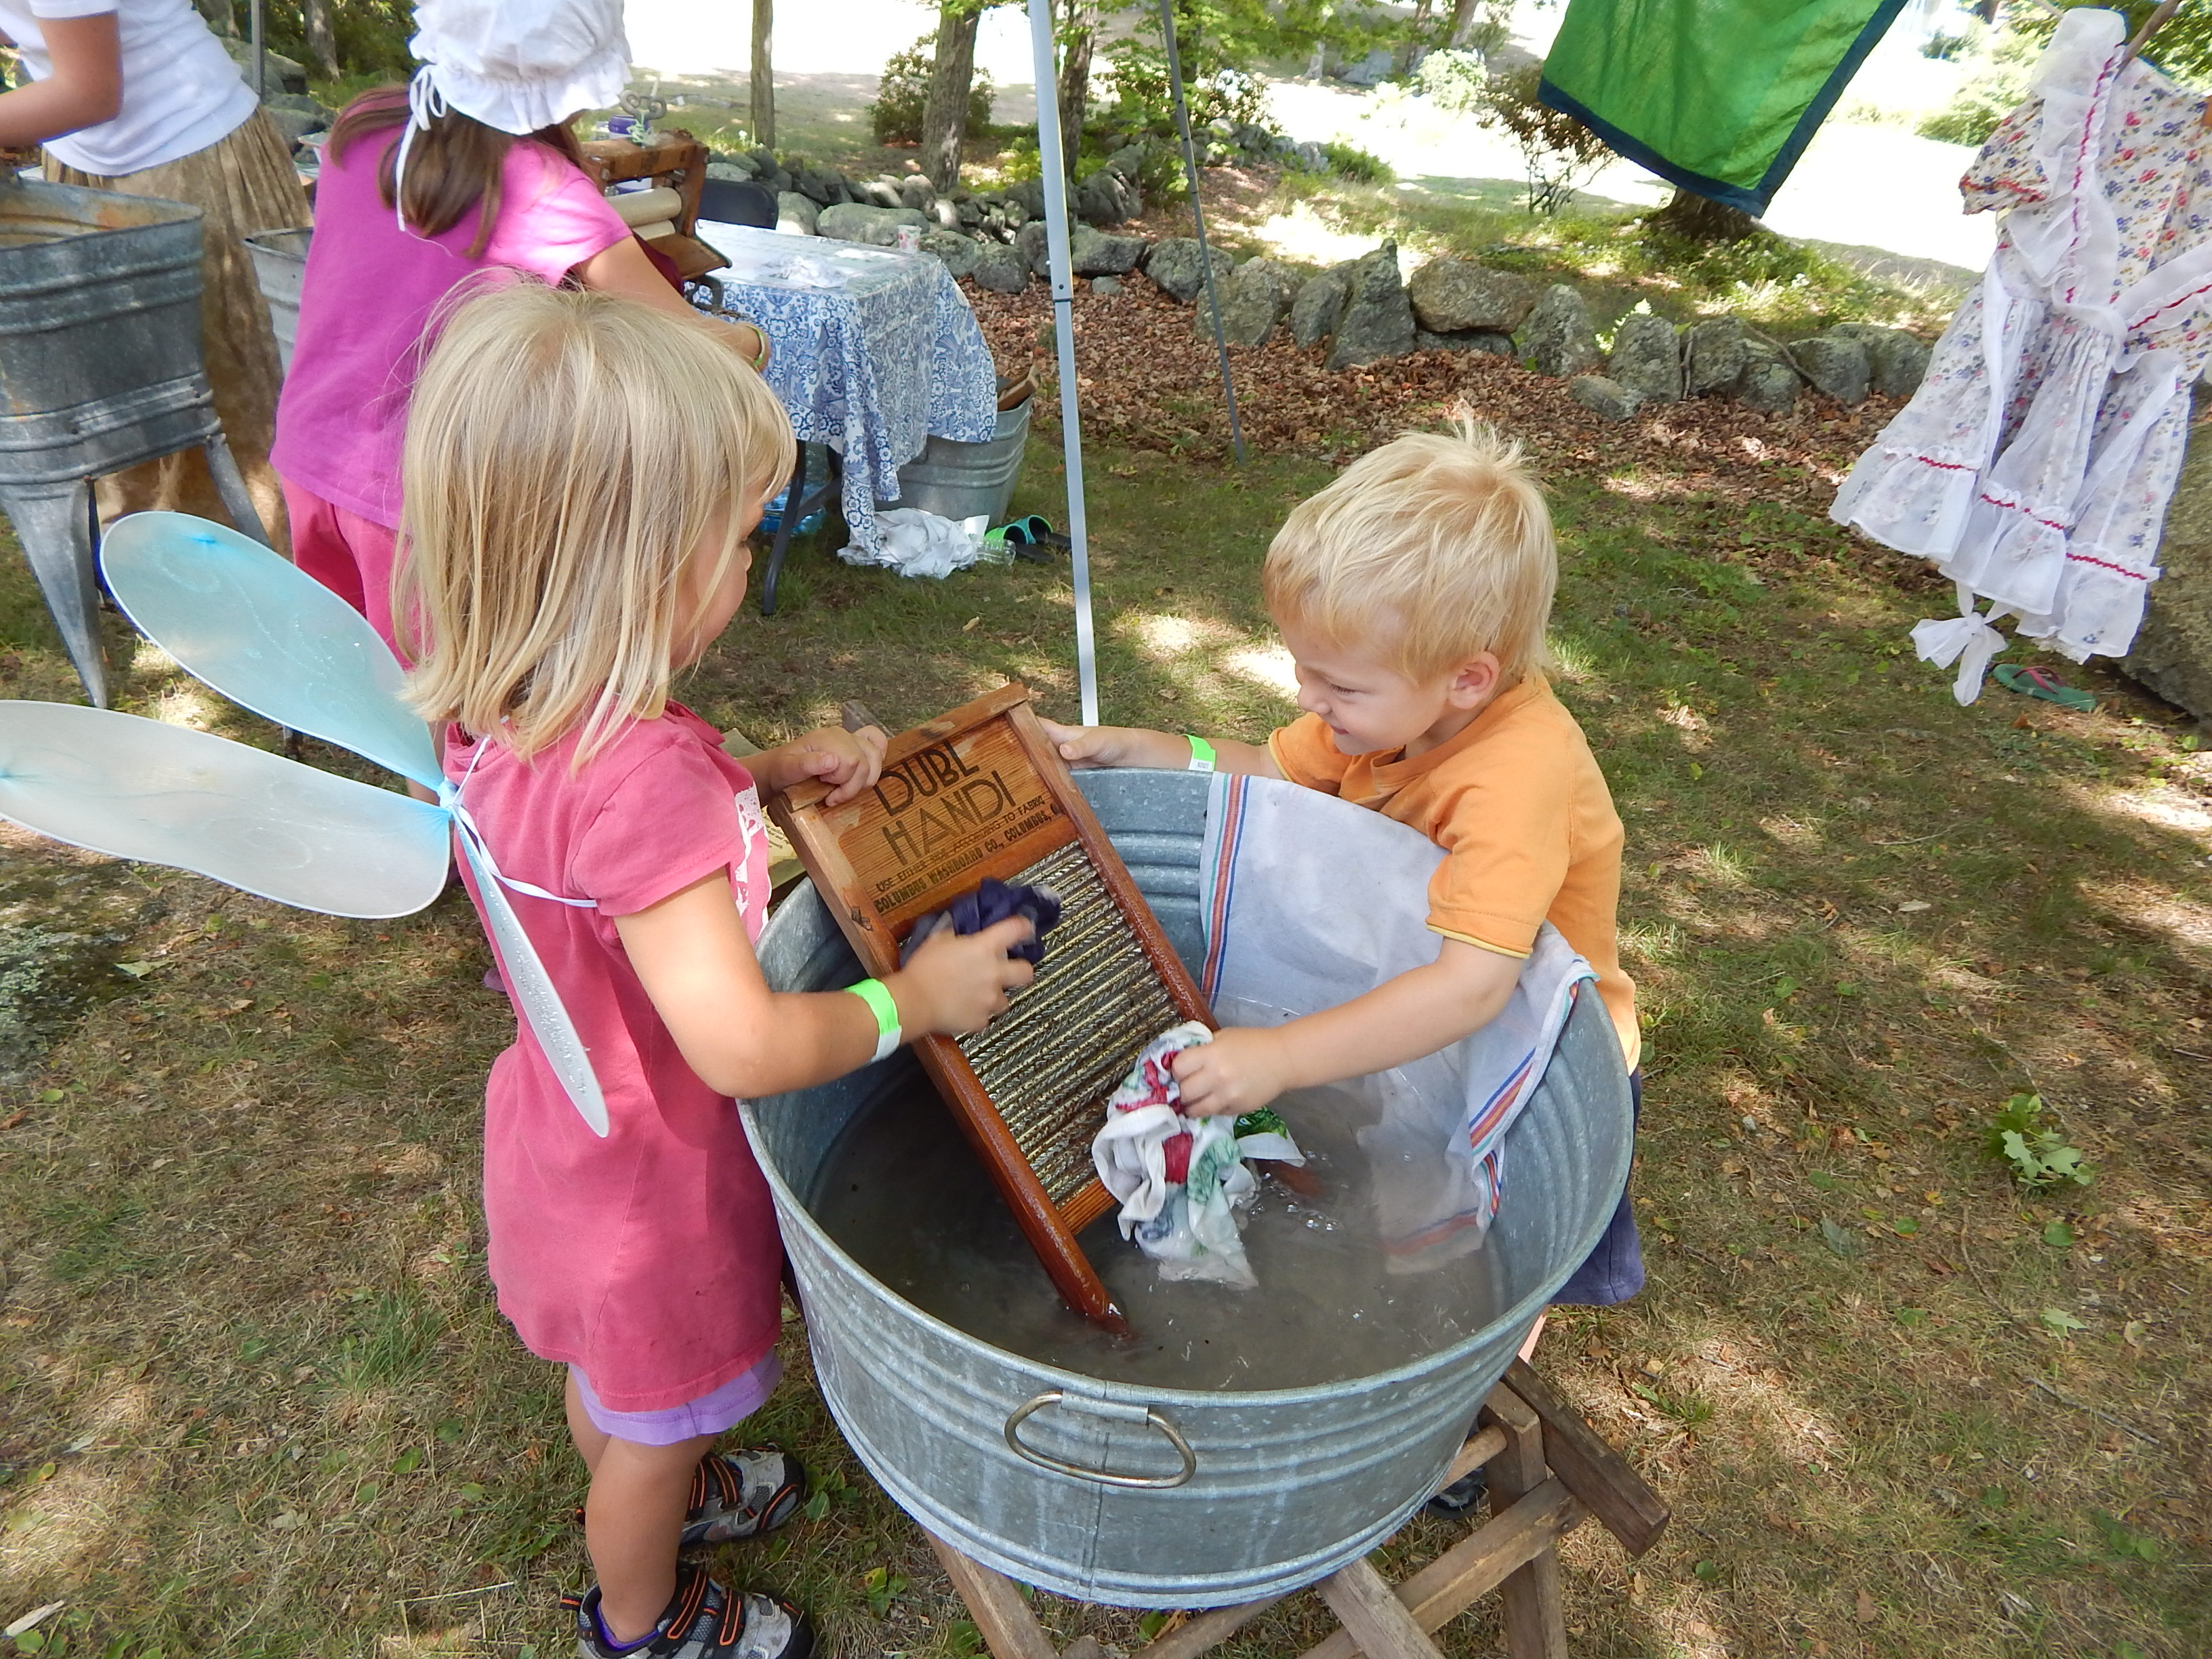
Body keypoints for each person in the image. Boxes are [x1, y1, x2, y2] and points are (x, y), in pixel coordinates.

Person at [398, 282, 1033, 1659]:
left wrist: (759, 773)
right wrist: (913, 1001)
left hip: (566, 1136)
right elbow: (739, 1044)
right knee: (649, 1426)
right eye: (742, 537)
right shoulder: (644, 782)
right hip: (655, 1186)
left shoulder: (515, 711)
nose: (752, 562)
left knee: (622, 1392)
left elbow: (599, 862)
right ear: (644, 567)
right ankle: (641, 1615)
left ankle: (664, 1485)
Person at [1042, 422, 1644, 1331]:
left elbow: (1472, 991)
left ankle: (1489, 1352)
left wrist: (1280, 1056)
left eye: (1338, 686)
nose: (1307, 699)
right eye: (1303, 669)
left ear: (1468, 679)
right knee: (1400, 1180)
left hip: (1532, 1048)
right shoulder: (1392, 712)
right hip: (1428, 1000)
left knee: (1510, 1249)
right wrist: (1139, 749)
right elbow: (1270, 771)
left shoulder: (1516, 780)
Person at [274, 0, 766, 654]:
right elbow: (692, 343)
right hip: (424, 494)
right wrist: (752, 342)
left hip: (311, 450)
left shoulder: (364, 124)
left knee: (344, 668)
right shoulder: (546, 190)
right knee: (442, 689)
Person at [0, 0, 306, 538]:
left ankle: (261, 569)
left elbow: (89, 91)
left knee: (233, 413)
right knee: (115, 411)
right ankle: (148, 560)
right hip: (85, 165)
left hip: (187, 160)